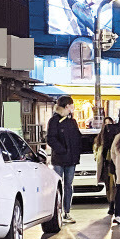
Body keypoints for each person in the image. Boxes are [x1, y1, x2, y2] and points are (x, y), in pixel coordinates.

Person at [46, 95, 82, 224]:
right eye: (72, 105)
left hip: (71, 160)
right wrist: (63, 150)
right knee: (58, 186)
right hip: (59, 159)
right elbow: (50, 138)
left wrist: (76, 152)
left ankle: (67, 212)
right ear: (67, 106)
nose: (73, 107)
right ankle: (56, 213)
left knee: (68, 186)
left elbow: (77, 138)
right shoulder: (54, 121)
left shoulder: (72, 121)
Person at [94, 117, 114, 213]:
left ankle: (112, 205)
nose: (107, 126)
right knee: (108, 185)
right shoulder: (100, 137)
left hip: (112, 163)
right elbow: (96, 150)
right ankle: (110, 203)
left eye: (109, 123)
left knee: (113, 185)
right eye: (106, 124)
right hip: (105, 164)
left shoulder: (115, 135)